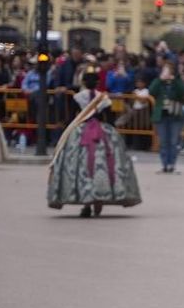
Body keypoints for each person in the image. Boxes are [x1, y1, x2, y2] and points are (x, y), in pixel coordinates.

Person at [46, 70, 142, 217]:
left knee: (81, 167)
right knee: (105, 165)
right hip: (102, 133)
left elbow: (73, 117)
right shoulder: (103, 98)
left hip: (80, 133)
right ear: (98, 83)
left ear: (83, 83)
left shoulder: (77, 98)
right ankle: (101, 198)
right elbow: (109, 119)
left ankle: (85, 201)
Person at [149, 62, 184, 174]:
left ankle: (172, 164)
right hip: (161, 115)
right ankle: (164, 164)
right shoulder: (159, 82)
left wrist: (175, 80)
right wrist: (159, 79)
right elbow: (152, 91)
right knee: (163, 141)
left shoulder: (177, 81)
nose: (166, 72)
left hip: (175, 115)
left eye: (168, 70)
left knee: (173, 141)